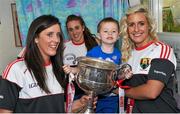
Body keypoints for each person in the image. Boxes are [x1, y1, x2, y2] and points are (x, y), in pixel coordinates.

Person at [0, 15, 93, 113]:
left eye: (58, 35)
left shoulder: (60, 70)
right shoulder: (17, 69)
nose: (57, 40)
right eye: (50, 34)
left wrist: (80, 103)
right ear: (36, 38)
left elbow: (59, 107)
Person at [119, 5, 180, 113]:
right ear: (127, 29)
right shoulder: (128, 54)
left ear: (149, 26)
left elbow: (152, 91)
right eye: (131, 25)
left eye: (141, 24)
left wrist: (120, 91)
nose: (136, 29)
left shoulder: (161, 50)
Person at [86, 17, 121, 113]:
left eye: (113, 31)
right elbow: (85, 71)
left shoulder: (119, 55)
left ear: (118, 35)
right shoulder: (93, 52)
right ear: (99, 35)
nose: (110, 34)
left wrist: (125, 74)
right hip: (94, 96)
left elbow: (119, 75)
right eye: (105, 31)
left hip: (111, 98)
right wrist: (74, 70)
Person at [63, 14, 99, 100]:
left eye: (77, 28)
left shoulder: (94, 44)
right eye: (70, 29)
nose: (74, 32)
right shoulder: (63, 47)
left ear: (83, 28)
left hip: (90, 92)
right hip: (71, 93)